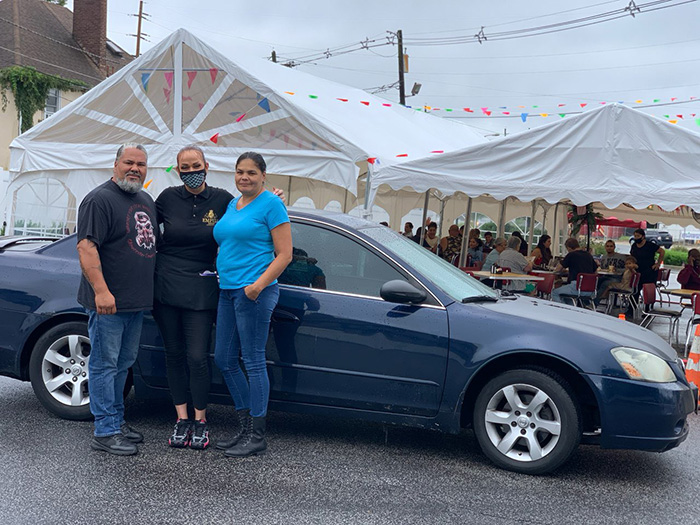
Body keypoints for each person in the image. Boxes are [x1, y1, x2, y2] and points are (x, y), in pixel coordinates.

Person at [152, 145, 234, 450]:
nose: (191, 172)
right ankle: (181, 419)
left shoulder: (223, 199)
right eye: (184, 168)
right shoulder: (167, 198)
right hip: (166, 285)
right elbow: (139, 224)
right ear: (177, 170)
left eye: (195, 166)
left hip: (202, 286)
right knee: (173, 355)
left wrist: (271, 197)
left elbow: (248, 216)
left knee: (198, 357)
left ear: (207, 166)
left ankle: (201, 420)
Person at [76, 143, 156, 456]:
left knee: (123, 364)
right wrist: (101, 291)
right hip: (108, 302)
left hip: (135, 302)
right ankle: (105, 430)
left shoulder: (144, 199)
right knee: (104, 364)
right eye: (129, 162)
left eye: (141, 164)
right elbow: (86, 247)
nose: (135, 168)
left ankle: (117, 420)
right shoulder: (99, 199)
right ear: (115, 164)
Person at [213, 152, 293, 458]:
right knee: (224, 359)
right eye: (239, 172)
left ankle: (257, 434)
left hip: (254, 293)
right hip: (227, 291)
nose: (244, 177)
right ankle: (245, 427)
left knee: (254, 360)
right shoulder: (234, 204)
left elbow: (284, 254)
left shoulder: (272, 205)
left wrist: (257, 286)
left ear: (263, 175)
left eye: (250, 172)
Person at [551, 238, 598, 304]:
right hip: (590, 289)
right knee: (566, 294)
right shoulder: (588, 255)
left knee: (555, 292)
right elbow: (595, 272)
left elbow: (558, 269)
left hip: (577, 287)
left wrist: (558, 270)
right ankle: (570, 309)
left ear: (569, 248)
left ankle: (562, 311)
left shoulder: (571, 255)